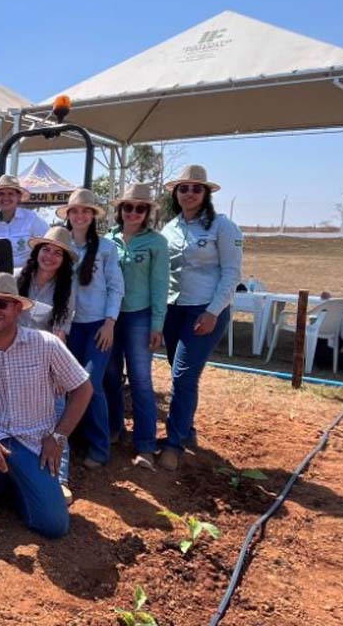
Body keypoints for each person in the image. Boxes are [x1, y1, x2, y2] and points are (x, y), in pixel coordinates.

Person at [0, 273, 92, 538]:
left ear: (17, 309)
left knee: (54, 527)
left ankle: (20, 486)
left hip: (35, 443)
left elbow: (83, 388)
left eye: (2, 304)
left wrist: (59, 437)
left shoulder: (45, 344)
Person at [159, 165, 242, 470]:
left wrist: (212, 311)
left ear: (205, 193)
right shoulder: (169, 229)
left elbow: (232, 273)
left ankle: (174, 443)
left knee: (183, 375)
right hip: (173, 309)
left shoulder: (222, 226)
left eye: (196, 188)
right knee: (179, 371)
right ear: (176, 193)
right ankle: (187, 430)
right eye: (184, 188)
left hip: (204, 310)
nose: (189, 193)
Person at [103, 184, 170, 471]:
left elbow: (160, 285)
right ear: (120, 210)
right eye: (128, 207)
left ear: (148, 212)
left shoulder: (156, 243)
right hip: (110, 317)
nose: (133, 213)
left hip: (140, 317)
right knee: (111, 375)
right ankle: (115, 429)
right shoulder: (108, 240)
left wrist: (157, 323)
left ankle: (145, 444)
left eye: (140, 208)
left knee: (141, 380)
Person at [59, 189, 124, 469]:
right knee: (67, 383)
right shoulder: (62, 245)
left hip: (98, 325)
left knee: (90, 384)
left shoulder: (107, 248)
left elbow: (115, 286)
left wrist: (110, 323)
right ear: (69, 215)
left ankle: (100, 446)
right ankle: (76, 436)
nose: (80, 215)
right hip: (71, 325)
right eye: (75, 211)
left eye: (86, 211)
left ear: (93, 216)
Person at [17, 226, 77, 502]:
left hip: (46, 353)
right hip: (12, 352)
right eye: (46, 249)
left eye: (57, 253)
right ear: (36, 252)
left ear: (64, 260)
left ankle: (60, 477)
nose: (50, 256)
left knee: (57, 407)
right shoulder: (18, 278)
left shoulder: (67, 287)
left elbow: (61, 331)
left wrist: (49, 367)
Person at [0, 174, 48, 270]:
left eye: (11, 193)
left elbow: (48, 245)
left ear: (19, 197)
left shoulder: (33, 219)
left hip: (25, 278)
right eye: (1, 194)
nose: (6, 198)